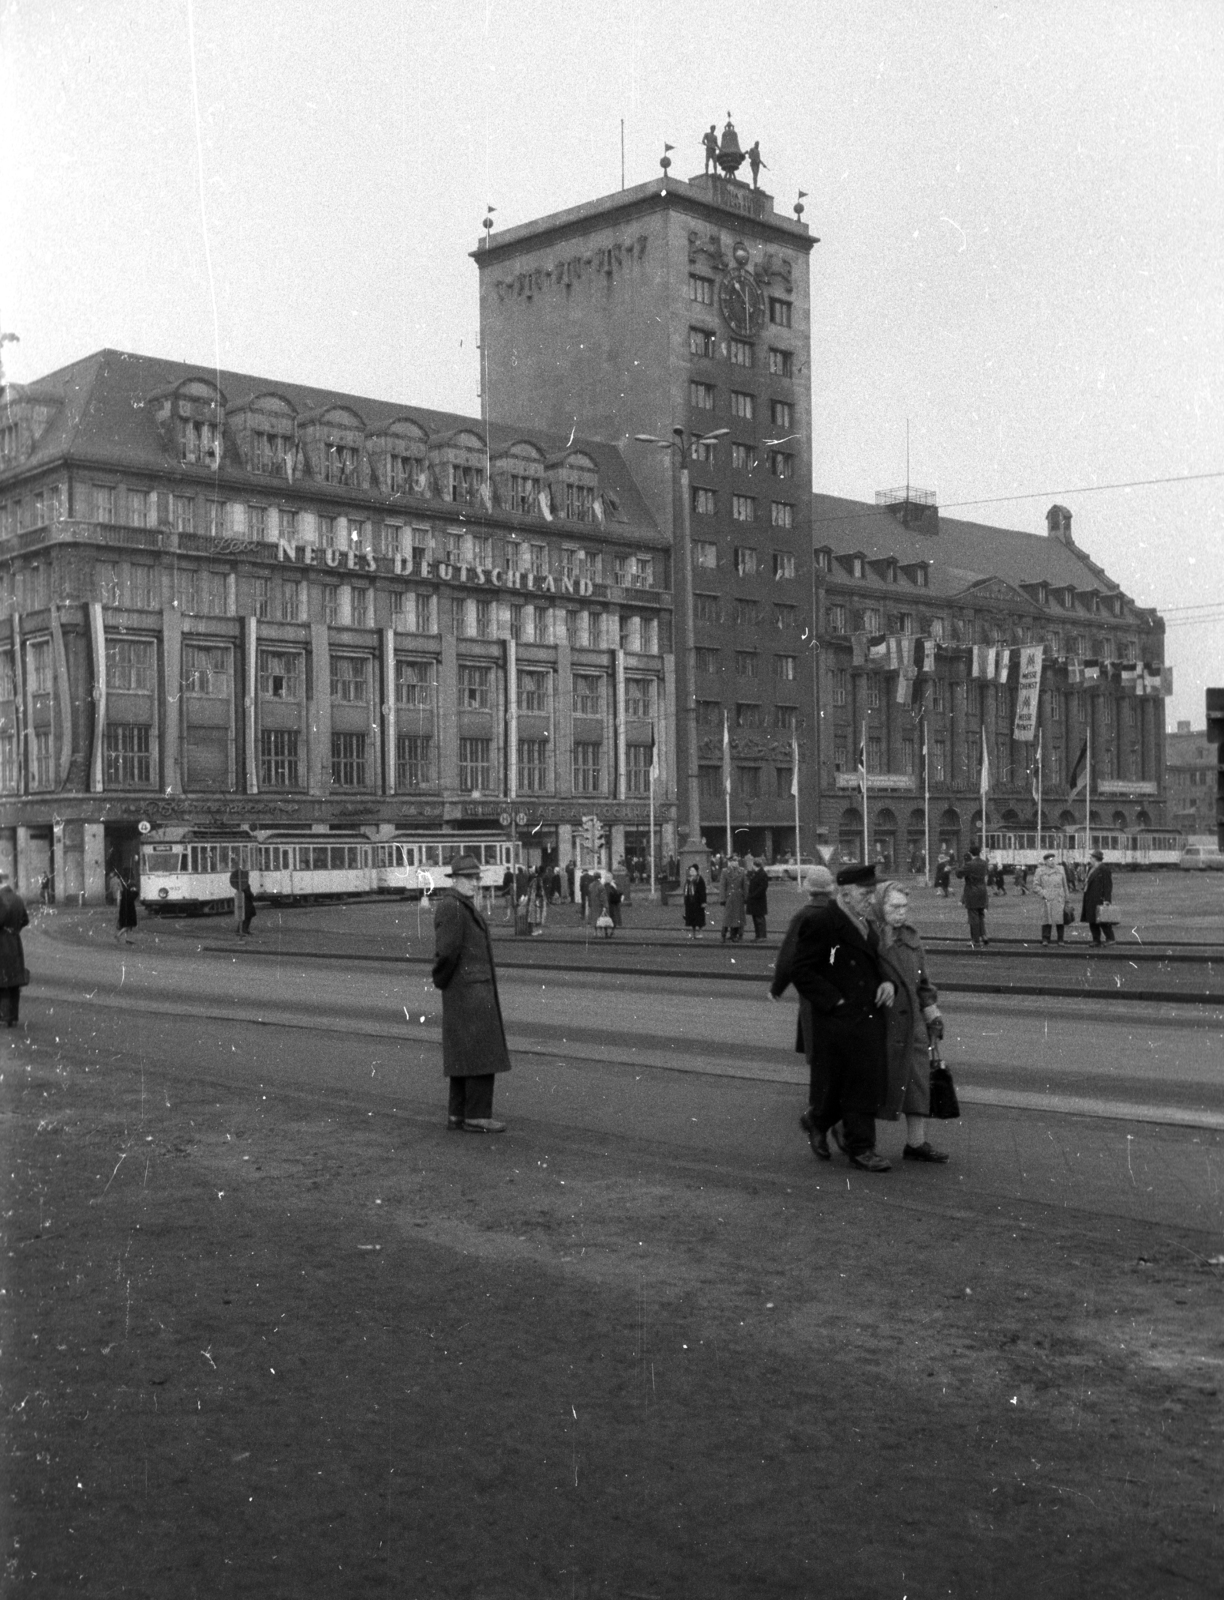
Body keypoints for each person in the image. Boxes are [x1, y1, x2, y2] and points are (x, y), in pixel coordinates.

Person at [769, 862, 896, 1173]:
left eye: (872, 892)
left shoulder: (864, 920)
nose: (871, 898)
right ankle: (862, 1149)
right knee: (858, 1083)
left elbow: (873, 961)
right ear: (846, 894)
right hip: (840, 1019)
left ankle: (818, 1119)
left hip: (866, 1014)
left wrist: (886, 981)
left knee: (855, 1081)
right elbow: (801, 969)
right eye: (866, 893)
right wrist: (835, 1001)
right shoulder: (823, 921)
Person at [431, 853, 511, 1133]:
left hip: (467, 990)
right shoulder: (453, 907)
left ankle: (458, 1114)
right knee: (480, 1054)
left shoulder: (458, 905)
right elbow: (447, 952)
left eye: (477, 878)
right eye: (471, 878)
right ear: (457, 880)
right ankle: (476, 1115)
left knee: (465, 1054)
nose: (476, 883)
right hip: (470, 993)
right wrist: (442, 980)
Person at [871, 881, 949, 1163]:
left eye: (905, 907)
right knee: (872, 1084)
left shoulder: (913, 939)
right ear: (880, 906)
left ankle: (916, 1143)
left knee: (917, 1082)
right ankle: (851, 1136)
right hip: (881, 1023)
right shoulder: (869, 937)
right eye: (894, 907)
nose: (901, 913)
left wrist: (933, 1015)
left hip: (912, 1022)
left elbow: (924, 983)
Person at [775, 865, 836, 1133]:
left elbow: (789, 955)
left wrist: (778, 986)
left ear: (809, 888)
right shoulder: (839, 914)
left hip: (812, 990)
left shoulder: (803, 915)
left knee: (816, 1046)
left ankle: (818, 1103)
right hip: (838, 989)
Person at [0, 871, 30, 1028]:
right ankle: (13, 1015)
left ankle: (5, 1015)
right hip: (15, 942)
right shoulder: (17, 898)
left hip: (2, 942)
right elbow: (25, 920)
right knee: (14, 980)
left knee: (2, 979)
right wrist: (14, 929)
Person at [956, 844, 989, 948]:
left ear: (970, 853)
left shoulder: (970, 864)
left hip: (972, 891)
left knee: (973, 916)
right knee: (980, 915)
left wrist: (961, 866)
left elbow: (959, 874)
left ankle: (975, 940)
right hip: (982, 890)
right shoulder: (984, 863)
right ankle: (983, 935)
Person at [1081, 849, 1116, 945]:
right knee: (1092, 920)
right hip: (1090, 898)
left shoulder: (1104, 869)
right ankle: (1096, 940)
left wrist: (1107, 899)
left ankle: (1110, 938)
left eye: (1091, 857)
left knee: (1103, 920)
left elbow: (1108, 885)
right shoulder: (1091, 869)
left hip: (1099, 899)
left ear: (1096, 859)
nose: (1090, 859)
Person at [1033, 852, 1068, 944]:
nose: (1052, 862)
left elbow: (1065, 885)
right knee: (1046, 919)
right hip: (1047, 898)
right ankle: (1045, 939)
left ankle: (1060, 939)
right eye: (1050, 860)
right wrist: (1044, 893)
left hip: (1059, 897)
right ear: (1045, 861)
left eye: (1053, 859)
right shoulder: (1040, 871)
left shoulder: (1060, 869)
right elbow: (1035, 886)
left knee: (1059, 919)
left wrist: (1067, 899)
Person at [720, 855, 746, 942]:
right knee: (727, 917)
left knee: (738, 917)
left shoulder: (742, 871)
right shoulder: (725, 871)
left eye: (736, 861)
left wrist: (746, 897)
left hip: (739, 897)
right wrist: (722, 898)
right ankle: (723, 934)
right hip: (729, 897)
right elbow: (722, 886)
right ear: (729, 862)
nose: (734, 863)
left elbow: (745, 885)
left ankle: (738, 934)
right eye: (732, 861)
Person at [745, 856, 769, 940]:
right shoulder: (756, 873)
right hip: (756, 900)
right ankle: (758, 935)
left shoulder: (762, 874)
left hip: (759, 900)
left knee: (759, 919)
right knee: (756, 918)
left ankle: (761, 936)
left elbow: (762, 888)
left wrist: (752, 895)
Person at [682, 863, 707, 939]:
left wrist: (703, 902)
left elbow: (703, 891)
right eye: (690, 870)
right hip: (690, 902)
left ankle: (700, 933)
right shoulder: (688, 880)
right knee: (691, 919)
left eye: (693, 870)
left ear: (696, 871)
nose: (691, 871)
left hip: (698, 902)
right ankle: (693, 933)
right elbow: (685, 890)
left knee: (699, 918)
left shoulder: (699, 879)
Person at [115, 869, 139, 944]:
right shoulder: (129, 892)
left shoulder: (125, 892)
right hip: (129, 912)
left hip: (124, 911)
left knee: (128, 925)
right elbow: (134, 896)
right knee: (128, 926)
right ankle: (118, 935)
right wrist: (135, 891)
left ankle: (127, 938)